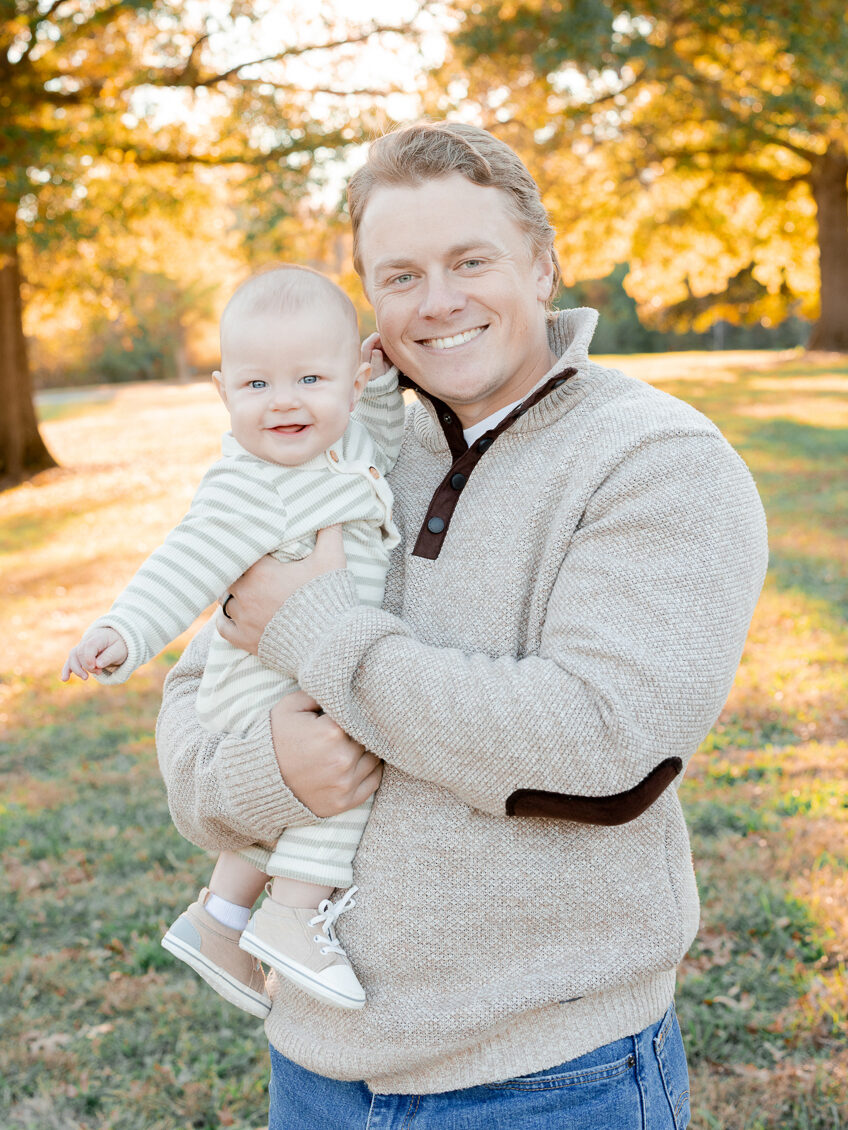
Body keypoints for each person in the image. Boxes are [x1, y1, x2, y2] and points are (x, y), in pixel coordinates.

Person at [156, 122, 768, 1128]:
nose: (435, 302)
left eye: (468, 261)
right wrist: (267, 774)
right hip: (313, 1064)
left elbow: (597, 744)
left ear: (540, 263)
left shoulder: (657, 460)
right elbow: (195, 699)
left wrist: (317, 636)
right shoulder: (323, 445)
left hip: (548, 1074)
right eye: (398, 275)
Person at [62, 264, 404, 1017]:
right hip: (267, 676)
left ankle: (218, 921)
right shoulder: (249, 482)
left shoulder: (342, 444)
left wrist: (376, 389)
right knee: (345, 770)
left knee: (306, 778)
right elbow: (182, 562)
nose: (283, 400)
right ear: (224, 394)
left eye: (310, 378)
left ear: (351, 383)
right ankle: (295, 913)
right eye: (256, 386)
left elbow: (385, 432)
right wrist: (124, 630)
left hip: (304, 662)